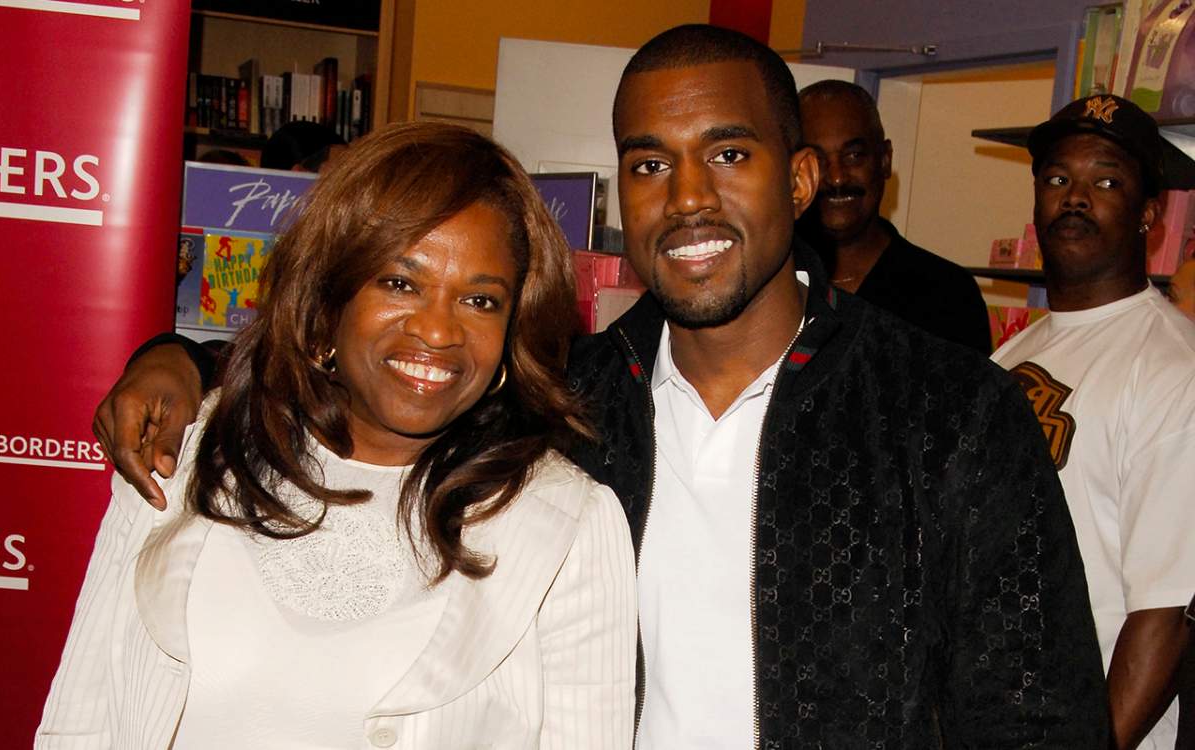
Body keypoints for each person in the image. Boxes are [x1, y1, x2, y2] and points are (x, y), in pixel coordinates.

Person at [92, 25, 1108, 748]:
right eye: (650, 164)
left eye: (730, 154)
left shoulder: (948, 415)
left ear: (797, 183)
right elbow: (381, 375)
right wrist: (184, 360)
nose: (690, 198)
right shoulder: (565, 407)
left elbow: (1036, 716)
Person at [38, 123, 636, 749]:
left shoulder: (566, 524)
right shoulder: (185, 447)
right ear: (330, 298)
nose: (437, 331)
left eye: (480, 301)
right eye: (400, 283)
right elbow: (79, 722)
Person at [992, 94, 1195, 750]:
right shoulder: (1009, 357)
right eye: (1057, 179)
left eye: (1106, 181)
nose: (1074, 197)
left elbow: (1168, 610)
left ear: (1149, 214)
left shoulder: (1172, 369)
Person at [797, 80, 992, 354]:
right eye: (817, 160)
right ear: (796, 172)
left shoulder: (947, 294)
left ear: (885, 160)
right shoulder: (772, 282)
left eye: (853, 156)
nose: (837, 177)